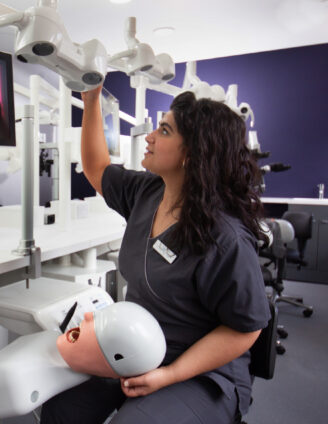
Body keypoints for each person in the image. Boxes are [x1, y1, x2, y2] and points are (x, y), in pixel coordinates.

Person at [40, 87, 271, 424]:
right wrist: (91, 100)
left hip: (202, 373)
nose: (148, 136)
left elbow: (245, 329)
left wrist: (171, 373)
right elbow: (96, 167)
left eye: (164, 130)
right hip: (135, 348)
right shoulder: (148, 192)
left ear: (192, 153)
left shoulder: (225, 238)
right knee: (63, 408)